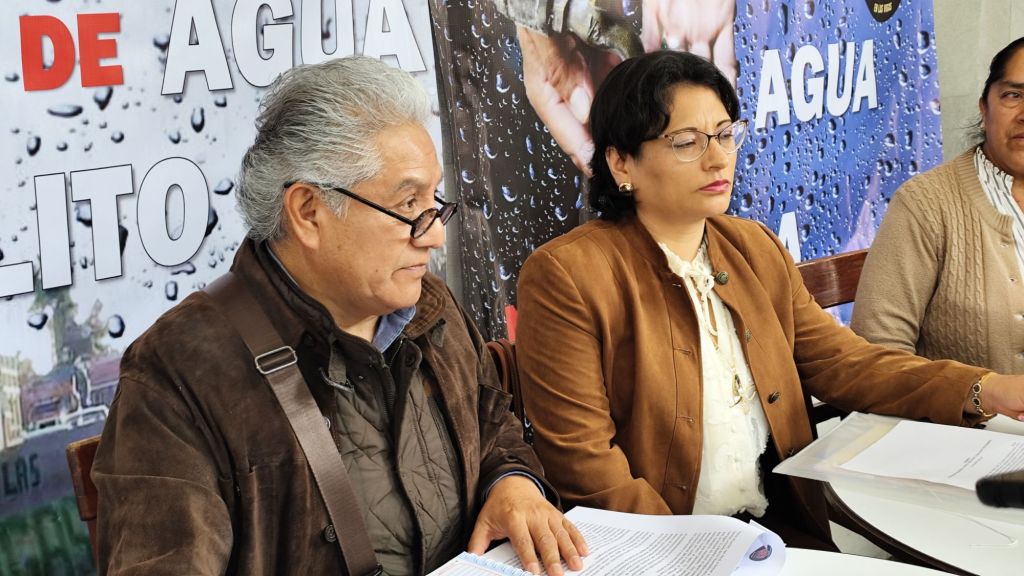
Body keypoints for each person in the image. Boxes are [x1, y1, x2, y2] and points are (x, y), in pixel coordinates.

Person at [92, 57, 585, 576]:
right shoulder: (177, 371)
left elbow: (492, 424)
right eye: (408, 205)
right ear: (308, 211)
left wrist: (512, 484)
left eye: (434, 201)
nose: (436, 235)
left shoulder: (429, 308)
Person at [514, 50, 1024, 548]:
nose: (718, 158)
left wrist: (987, 389)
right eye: (686, 142)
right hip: (662, 547)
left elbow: (846, 364)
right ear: (621, 162)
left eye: (725, 135)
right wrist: (694, 554)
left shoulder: (752, 246)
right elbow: (585, 463)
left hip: (779, 530)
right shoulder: (567, 275)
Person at [851, 37, 1024, 375]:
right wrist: (976, 394)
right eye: (1013, 96)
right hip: (961, 411)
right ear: (984, 108)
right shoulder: (925, 205)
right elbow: (878, 353)